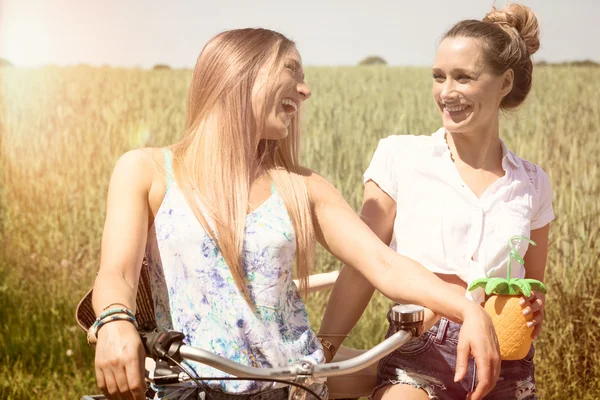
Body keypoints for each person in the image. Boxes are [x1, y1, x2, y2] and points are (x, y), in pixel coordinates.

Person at [90, 28, 500, 400]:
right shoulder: (148, 170)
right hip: (189, 385)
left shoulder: (303, 187)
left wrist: (466, 308)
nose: (305, 91)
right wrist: (113, 321)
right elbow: (118, 274)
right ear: (241, 73)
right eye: (292, 71)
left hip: (295, 390)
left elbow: (382, 262)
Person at [319, 4, 554, 400]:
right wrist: (321, 356)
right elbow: (362, 266)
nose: (446, 92)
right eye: (438, 77)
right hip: (417, 355)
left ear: (504, 82)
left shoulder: (533, 182)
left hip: (505, 362)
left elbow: (532, 286)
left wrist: (534, 306)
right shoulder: (399, 158)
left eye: (464, 77)